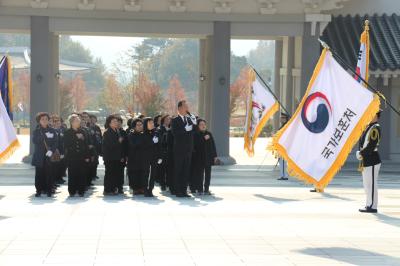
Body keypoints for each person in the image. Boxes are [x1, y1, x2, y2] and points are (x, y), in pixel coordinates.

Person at [357, 109, 382, 213]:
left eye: (371, 114)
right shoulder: (368, 127)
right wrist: (360, 151)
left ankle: (372, 206)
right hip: (367, 159)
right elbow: (362, 142)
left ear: (376, 116)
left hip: (372, 158)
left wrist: (361, 154)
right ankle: (369, 204)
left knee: (371, 184)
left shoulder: (375, 128)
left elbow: (371, 145)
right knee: (367, 184)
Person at [171, 100, 196, 197]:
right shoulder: (175, 120)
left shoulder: (189, 119)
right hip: (179, 149)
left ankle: (184, 190)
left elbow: (195, 131)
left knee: (186, 170)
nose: (187, 108)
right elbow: (175, 134)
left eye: (187, 106)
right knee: (178, 170)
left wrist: (194, 123)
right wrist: (185, 130)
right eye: (185, 106)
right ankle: (178, 191)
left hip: (188, 149)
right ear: (180, 108)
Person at [32, 112, 58, 197]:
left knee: (49, 173)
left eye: (46, 119)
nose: (44, 121)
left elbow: (55, 142)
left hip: (49, 155)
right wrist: (42, 137)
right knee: (39, 174)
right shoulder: (37, 131)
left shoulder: (52, 130)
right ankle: (39, 190)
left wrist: (51, 150)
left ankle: (49, 190)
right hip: (39, 156)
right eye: (42, 119)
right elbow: (34, 141)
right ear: (39, 121)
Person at [64, 114, 90, 197]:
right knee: (72, 174)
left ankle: (81, 190)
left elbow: (86, 145)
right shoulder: (67, 132)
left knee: (82, 174)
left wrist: (87, 156)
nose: (78, 122)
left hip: (82, 156)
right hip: (72, 156)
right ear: (71, 122)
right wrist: (76, 138)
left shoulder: (83, 131)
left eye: (79, 121)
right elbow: (66, 144)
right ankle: (72, 190)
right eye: (76, 121)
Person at [191, 119, 217, 195]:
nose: (203, 126)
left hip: (208, 157)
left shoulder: (209, 133)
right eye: (201, 124)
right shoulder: (195, 134)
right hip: (199, 157)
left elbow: (213, 146)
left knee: (208, 174)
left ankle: (206, 189)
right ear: (198, 126)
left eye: (204, 124)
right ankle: (200, 189)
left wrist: (215, 156)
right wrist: (203, 139)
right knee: (200, 174)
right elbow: (195, 145)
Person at [102, 115, 125, 195]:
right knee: (109, 173)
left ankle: (113, 188)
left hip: (117, 157)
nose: (116, 123)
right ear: (109, 123)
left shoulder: (117, 131)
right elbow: (109, 145)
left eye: (116, 121)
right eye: (114, 122)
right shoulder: (107, 132)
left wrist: (122, 156)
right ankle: (107, 189)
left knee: (115, 173)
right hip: (109, 157)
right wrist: (118, 141)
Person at [142, 117, 162, 197]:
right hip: (145, 156)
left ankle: (150, 189)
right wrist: (151, 142)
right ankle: (145, 190)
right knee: (145, 173)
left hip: (154, 156)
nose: (152, 124)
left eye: (152, 123)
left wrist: (160, 156)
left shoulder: (156, 132)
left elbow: (159, 146)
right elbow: (142, 146)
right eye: (149, 123)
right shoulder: (143, 133)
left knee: (153, 173)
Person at [127, 118, 146, 194]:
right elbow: (133, 145)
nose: (140, 126)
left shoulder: (144, 134)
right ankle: (135, 188)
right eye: (138, 125)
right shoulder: (131, 135)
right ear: (134, 126)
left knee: (142, 173)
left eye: (141, 125)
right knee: (134, 173)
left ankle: (142, 188)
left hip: (142, 158)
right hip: (133, 158)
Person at [158, 115, 171, 191]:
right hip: (162, 151)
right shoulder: (160, 129)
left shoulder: (171, 128)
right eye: (166, 119)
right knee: (162, 169)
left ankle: (168, 183)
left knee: (169, 169)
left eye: (169, 119)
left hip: (169, 151)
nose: (168, 120)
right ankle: (162, 184)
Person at [277, 113, 289, 181]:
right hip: (280, 146)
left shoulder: (286, 126)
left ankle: (284, 176)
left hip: (283, 146)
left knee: (283, 162)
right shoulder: (283, 126)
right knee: (281, 161)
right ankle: (282, 175)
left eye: (283, 118)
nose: (281, 119)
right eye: (281, 118)